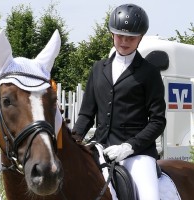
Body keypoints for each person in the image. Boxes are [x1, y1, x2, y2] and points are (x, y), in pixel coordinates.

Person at [72, 3, 166, 200]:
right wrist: (73, 140)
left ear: (140, 37)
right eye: (119, 36)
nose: (124, 41)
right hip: (99, 148)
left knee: (150, 197)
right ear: (111, 34)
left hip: (137, 154)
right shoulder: (98, 68)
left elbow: (157, 121)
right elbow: (86, 114)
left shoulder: (149, 72)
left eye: (131, 37)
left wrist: (129, 146)